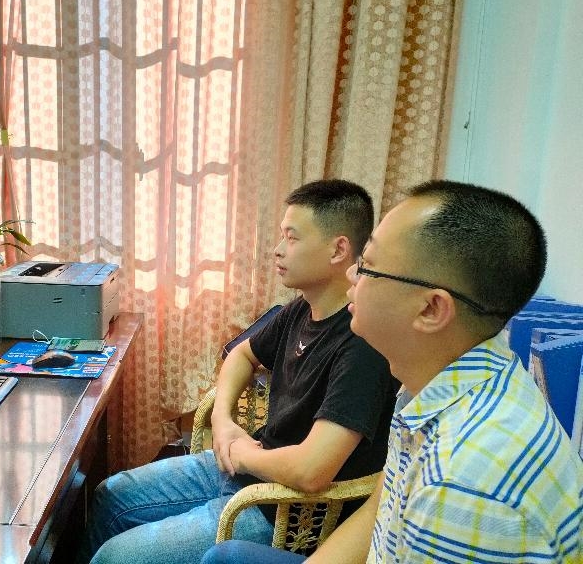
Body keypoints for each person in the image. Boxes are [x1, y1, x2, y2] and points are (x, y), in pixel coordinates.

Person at [201, 180, 583, 564]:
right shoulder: (434, 381)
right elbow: (380, 508)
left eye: (368, 266)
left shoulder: (462, 482)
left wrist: (241, 453)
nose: (352, 276)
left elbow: (313, 469)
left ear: (431, 309)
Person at [78, 180, 399, 564]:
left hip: (288, 511)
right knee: (110, 496)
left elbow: (311, 471)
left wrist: (243, 455)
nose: (277, 249)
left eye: (292, 238)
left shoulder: (363, 345)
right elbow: (241, 355)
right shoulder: (301, 309)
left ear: (338, 249)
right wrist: (223, 421)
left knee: (116, 557)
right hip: (248, 467)